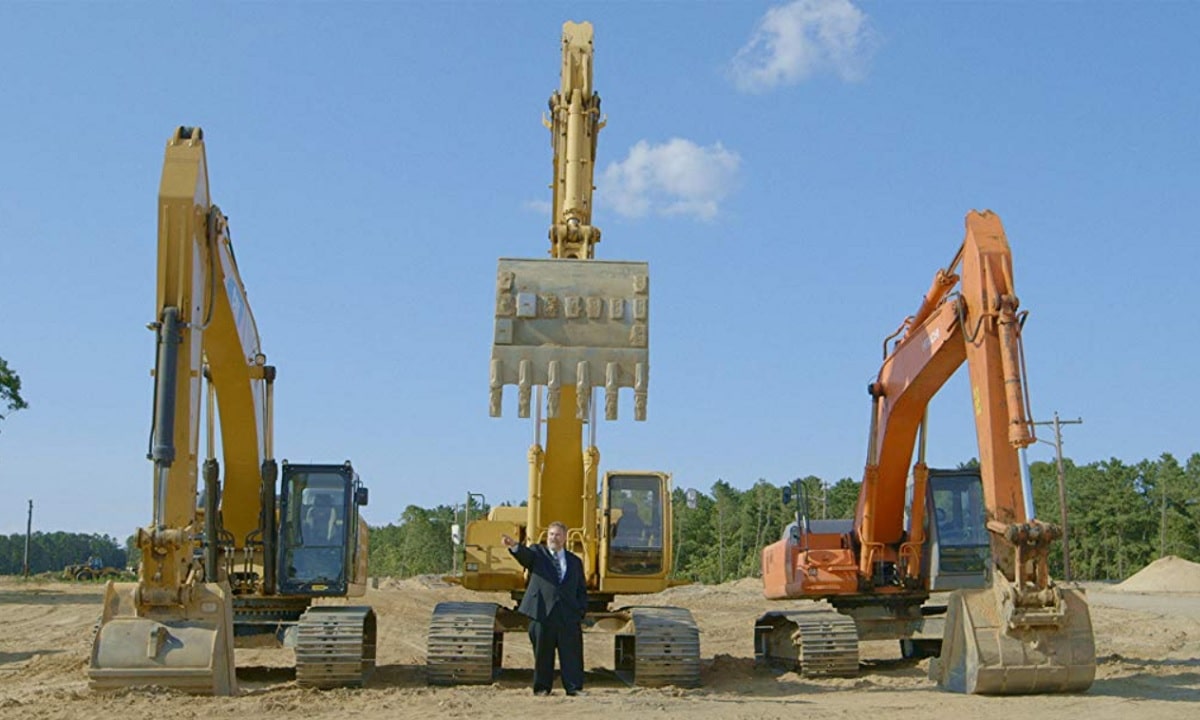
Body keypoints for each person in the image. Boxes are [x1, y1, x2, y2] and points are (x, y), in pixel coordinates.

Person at [501, 521, 587, 696]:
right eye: (551, 534)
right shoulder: (537, 554)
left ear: (565, 537)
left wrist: (580, 611)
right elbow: (525, 556)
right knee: (542, 654)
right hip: (542, 614)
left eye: (557, 535)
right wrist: (514, 546)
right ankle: (542, 689)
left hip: (567, 616)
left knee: (571, 654)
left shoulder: (575, 561)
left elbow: (580, 589)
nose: (553, 538)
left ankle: (574, 688)